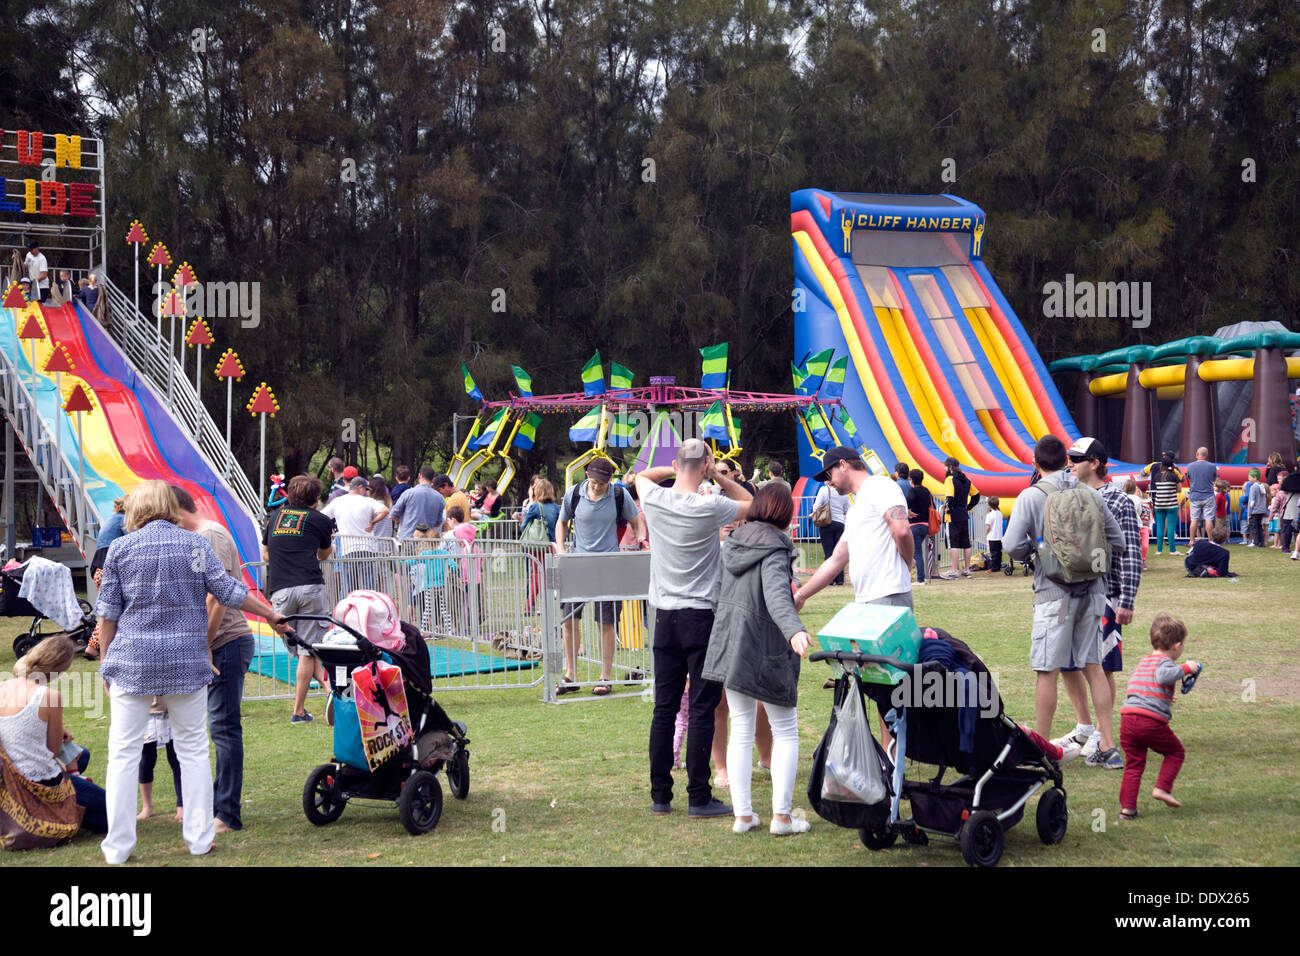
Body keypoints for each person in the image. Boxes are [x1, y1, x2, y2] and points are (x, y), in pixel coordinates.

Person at [95, 480, 290, 864]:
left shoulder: (119, 549)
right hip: (186, 661)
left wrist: (105, 664)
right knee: (194, 749)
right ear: (169, 505)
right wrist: (269, 613)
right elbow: (228, 590)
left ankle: (117, 848)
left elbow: (107, 614)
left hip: (133, 663)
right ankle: (200, 838)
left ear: (134, 510)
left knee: (123, 753)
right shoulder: (195, 544)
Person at [635, 439, 751, 818]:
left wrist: (676, 467)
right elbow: (756, 505)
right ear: (704, 466)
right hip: (701, 615)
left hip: (665, 616)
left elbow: (640, 475)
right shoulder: (711, 505)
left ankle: (660, 796)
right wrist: (717, 474)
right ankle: (699, 796)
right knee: (702, 707)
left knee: (664, 709)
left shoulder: (654, 499)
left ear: (676, 463)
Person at [701, 485, 814, 836]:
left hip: (731, 645)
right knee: (785, 730)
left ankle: (743, 815)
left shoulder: (732, 543)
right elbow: (778, 595)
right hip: (763, 647)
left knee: (741, 727)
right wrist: (794, 629)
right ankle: (781, 817)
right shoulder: (775, 549)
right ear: (782, 513)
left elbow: (722, 595)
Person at [1003, 435, 1124, 759]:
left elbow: (1012, 545)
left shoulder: (1031, 496)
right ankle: (1108, 745)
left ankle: (1040, 748)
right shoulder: (1088, 493)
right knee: (1093, 665)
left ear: (1035, 462)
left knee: (1047, 670)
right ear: (1065, 462)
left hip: (1054, 592)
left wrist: (1042, 550)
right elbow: (1118, 539)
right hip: (1093, 590)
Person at [170, 485, 256, 832]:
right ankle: (212, 806)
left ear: (177, 509)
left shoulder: (210, 534)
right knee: (210, 728)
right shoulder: (196, 538)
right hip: (212, 644)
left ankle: (226, 813)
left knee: (222, 728)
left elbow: (217, 598)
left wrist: (204, 644)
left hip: (225, 643)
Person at [1058, 439, 1143, 767]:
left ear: (1094, 462)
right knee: (1067, 662)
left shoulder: (1118, 500)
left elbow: (1131, 550)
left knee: (1102, 665)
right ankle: (1086, 727)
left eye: (1077, 459)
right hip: (1070, 594)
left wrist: (1127, 599)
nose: (1070, 464)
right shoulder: (1067, 495)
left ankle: (1105, 740)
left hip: (1106, 593)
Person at [0, 636, 108, 845]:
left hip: (7, 775)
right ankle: (58, 811)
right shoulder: (48, 696)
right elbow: (54, 750)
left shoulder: (3, 685)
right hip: (37, 782)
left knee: (82, 754)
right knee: (115, 812)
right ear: (59, 669)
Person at [555, 458, 645, 696]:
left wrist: (643, 543)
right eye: (594, 482)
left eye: (602, 483)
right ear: (586, 475)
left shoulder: (618, 494)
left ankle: (605, 676)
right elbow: (561, 523)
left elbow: (637, 522)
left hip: (609, 564)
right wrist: (561, 550)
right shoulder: (573, 494)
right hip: (578, 564)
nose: (597, 487)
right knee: (569, 619)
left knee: (606, 622)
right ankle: (570, 674)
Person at [795, 446, 914, 612]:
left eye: (829, 474)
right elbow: (836, 561)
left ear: (843, 465)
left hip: (888, 596)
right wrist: (801, 595)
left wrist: (906, 564)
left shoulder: (881, 485)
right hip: (868, 599)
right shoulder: (855, 509)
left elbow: (901, 530)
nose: (828, 482)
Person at [261, 475, 333, 723]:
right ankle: (300, 710)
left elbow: (266, 554)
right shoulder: (321, 520)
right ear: (315, 498)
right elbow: (324, 554)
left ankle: (326, 691)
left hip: (280, 590)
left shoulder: (273, 518)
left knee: (305, 648)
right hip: (311, 586)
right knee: (308, 649)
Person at [1118, 614, 1200, 821]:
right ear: (1177, 645)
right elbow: (1164, 676)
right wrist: (1187, 668)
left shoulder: (1143, 662)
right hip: (1149, 722)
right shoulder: (1166, 663)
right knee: (1175, 752)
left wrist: (1162, 698)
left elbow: (1141, 686)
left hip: (1128, 720)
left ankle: (1127, 809)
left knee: (1134, 764)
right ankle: (1162, 788)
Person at [323, 476, 389, 591]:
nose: (366, 492)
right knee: (369, 588)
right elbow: (385, 510)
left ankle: (347, 607)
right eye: (366, 489)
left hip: (347, 548)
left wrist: (331, 531)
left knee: (347, 588)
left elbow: (322, 516)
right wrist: (373, 522)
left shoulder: (338, 501)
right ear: (360, 488)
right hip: (368, 548)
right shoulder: (368, 501)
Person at [136, 698, 182, 821]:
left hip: (172, 704)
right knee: (146, 759)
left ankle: (182, 806)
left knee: (176, 758)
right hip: (146, 706)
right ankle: (147, 806)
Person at [942, 457, 980, 578]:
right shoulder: (966, 479)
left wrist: (948, 509)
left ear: (950, 467)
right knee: (966, 543)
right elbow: (976, 495)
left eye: (945, 466)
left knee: (954, 543)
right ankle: (967, 569)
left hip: (953, 515)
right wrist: (968, 507)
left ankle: (954, 570)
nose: (944, 469)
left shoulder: (950, 479)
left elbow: (949, 498)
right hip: (963, 514)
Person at [389, 466, 445, 540]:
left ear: (419, 476)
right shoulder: (440, 498)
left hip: (408, 538)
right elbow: (438, 523)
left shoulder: (408, 493)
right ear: (433, 479)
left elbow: (392, 515)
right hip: (427, 541)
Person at [812, 478, 850, 586]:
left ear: (827, 480)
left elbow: (816, 506)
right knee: (838, 553)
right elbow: (847, 508)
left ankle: (829, 579)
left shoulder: (824, 490)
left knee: (828, 552)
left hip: (826, 523)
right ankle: (840, 579)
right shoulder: (843, 492)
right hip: (840, 524)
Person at [1144, 452, 1183, 555]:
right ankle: (1172, 550)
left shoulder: (1156, 476)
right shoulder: (1173, 476)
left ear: (1162, 465)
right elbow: (1179, 490)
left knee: (1160, 527)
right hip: (1171, 505)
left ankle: (1159, 550)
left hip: (1159, 504)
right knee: (1170, 527)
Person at [1184, 447, 1217, 544]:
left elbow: (1188, 478)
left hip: (1195, 496)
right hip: (1208, 495)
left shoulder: (1190, 466)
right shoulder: (1212, 466)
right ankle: (1211, 540)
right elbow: (1215, 479)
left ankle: (1191, 541)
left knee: (1194, 519)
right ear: (1206, 455)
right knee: (1209, 519)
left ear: (1197, 454)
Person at [906, 469, 933, 585]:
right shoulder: (927, 491)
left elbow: (908, 500)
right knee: (914, 552)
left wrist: (907, 509)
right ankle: (916, 575)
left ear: (911, 479)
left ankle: (920, 579)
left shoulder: (913, 491)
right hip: (926, 525)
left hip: (915, 525)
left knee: (917, 553)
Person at [1124, 479, 1152, 565]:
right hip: (1137, 524)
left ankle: (1136, 560)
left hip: (1132, 524)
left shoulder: (1125, 497)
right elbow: (1140, 511)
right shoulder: (1135, 499)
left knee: (1132, 544)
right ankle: (1139, 561)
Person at [1245, 468, 1268, 548]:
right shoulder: (1262, 486)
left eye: (1250, 476)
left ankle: (1255, 542)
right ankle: (1261, 542)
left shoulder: (1253, 487)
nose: (1248, 478)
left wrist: (1249, 513)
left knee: (1254, 527)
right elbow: (1264, 498)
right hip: (1261, 510)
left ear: (1254, 477)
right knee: (1259, 526)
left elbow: (1251, 501)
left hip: (1255, 510)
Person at [984, 496, 1004, 573]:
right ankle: (998, 566)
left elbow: (988, 526)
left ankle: (994, 568)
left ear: (989, 505)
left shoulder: (989, 515)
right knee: (998, 552)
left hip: (992, 537)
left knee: (993, 553)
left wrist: (986, 533)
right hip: (999, 536)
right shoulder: (1000, 513)